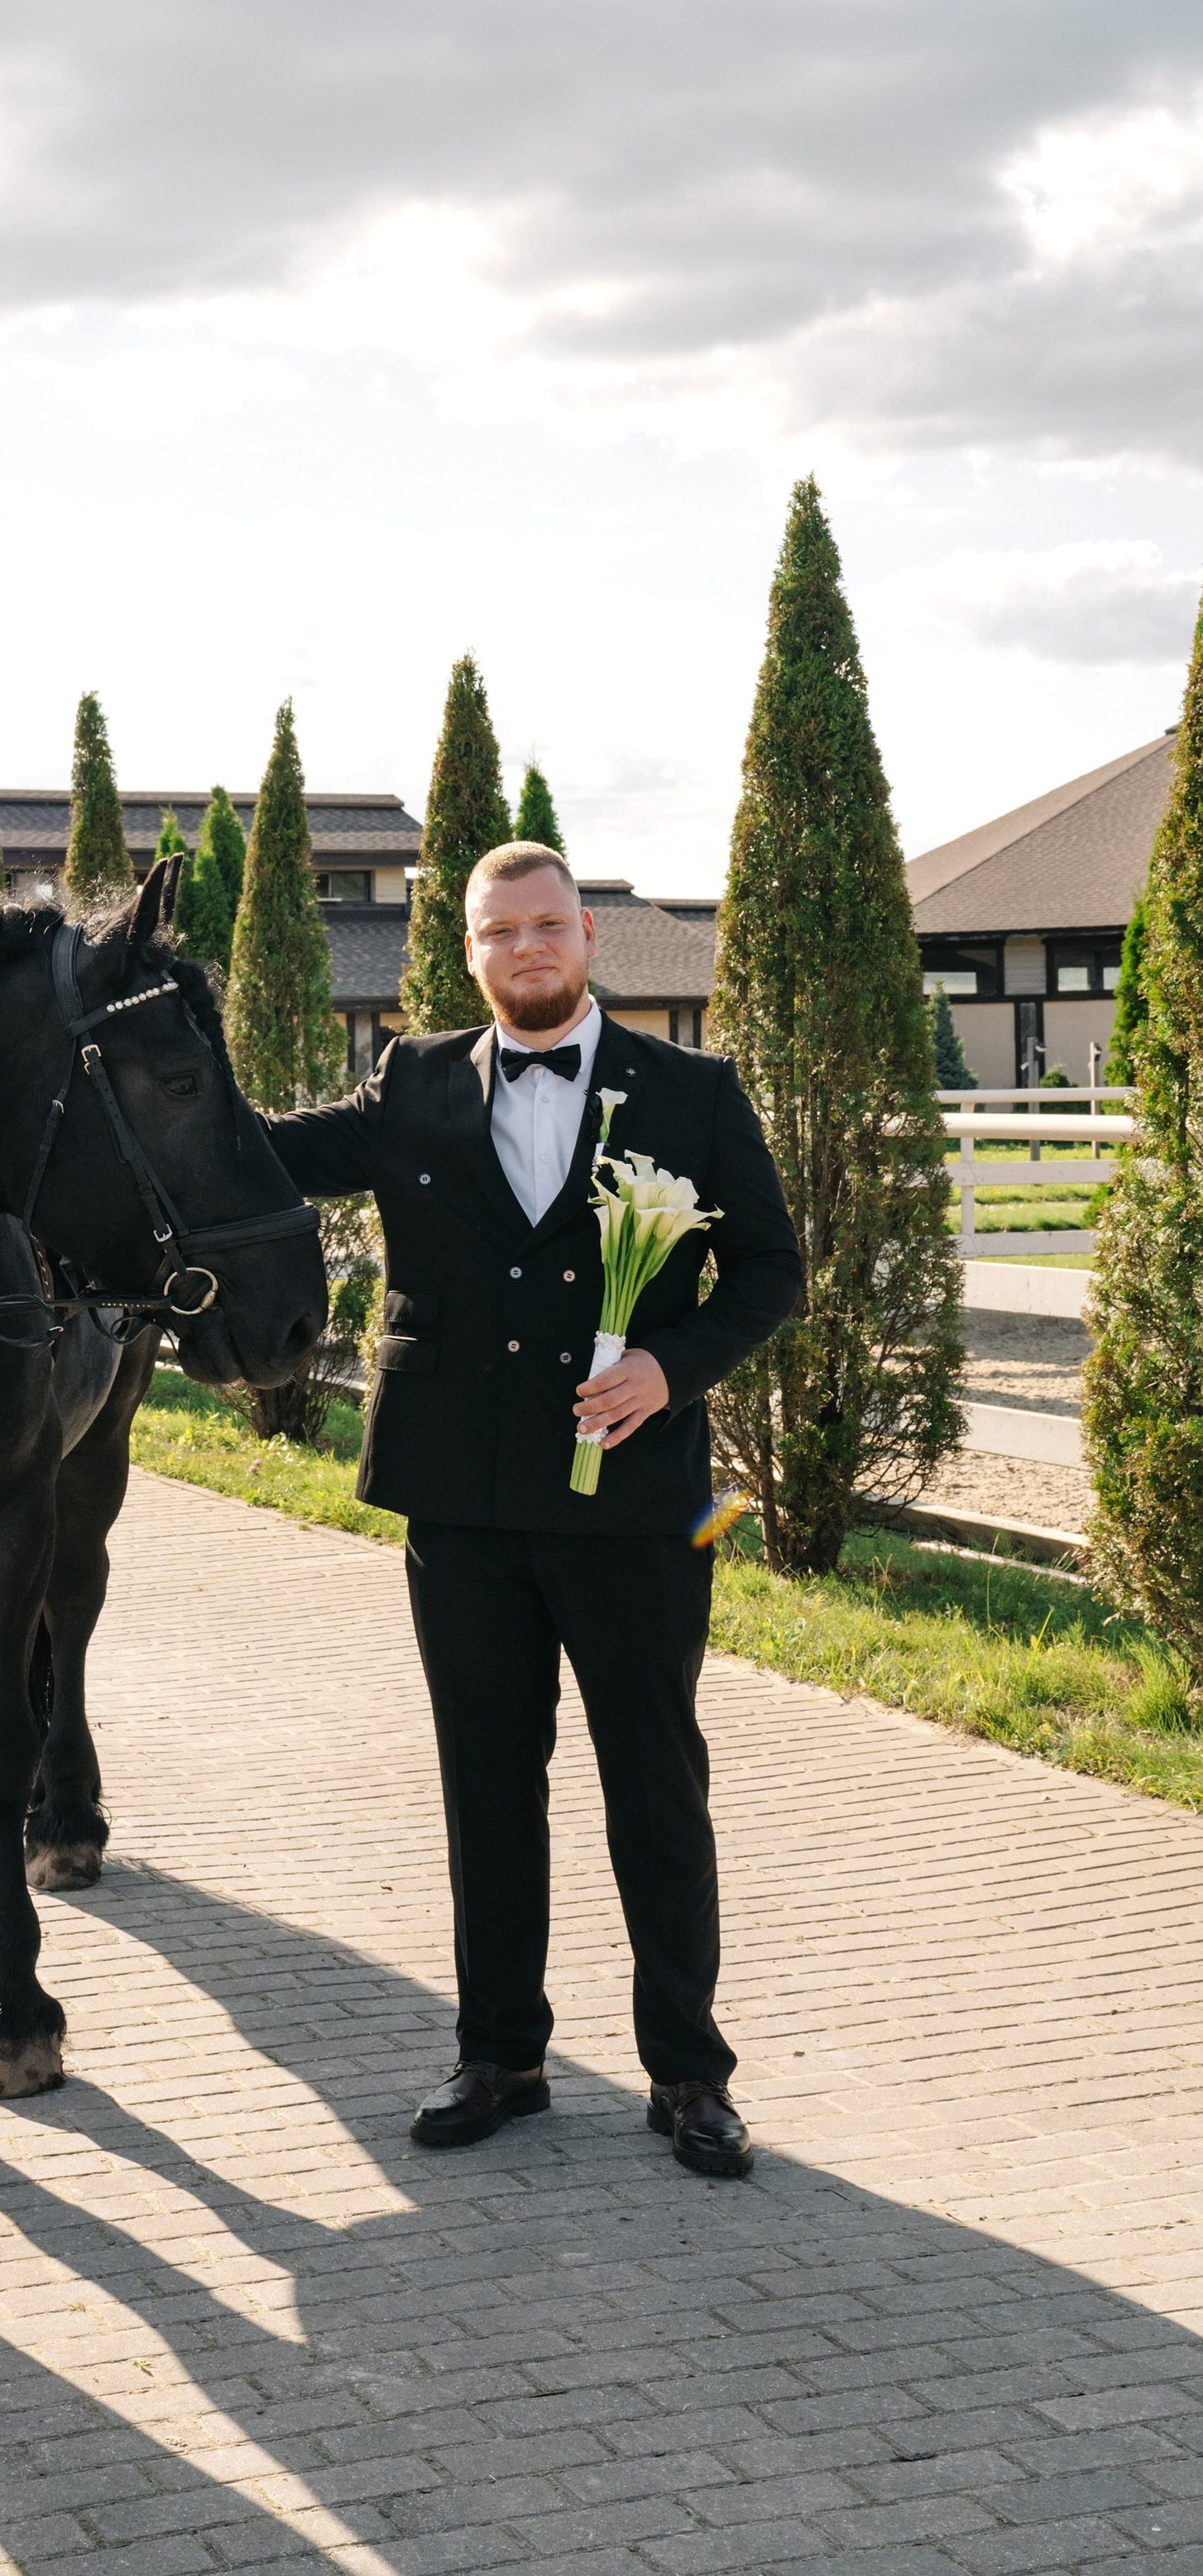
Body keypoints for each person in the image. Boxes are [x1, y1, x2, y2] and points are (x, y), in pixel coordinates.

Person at [265, 845, 801, 2178]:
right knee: (487, 1788)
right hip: (461, 1504)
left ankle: (688, 2073)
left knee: (654, 1790)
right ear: (467, 954)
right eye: (498, 932)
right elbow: (250, 1156)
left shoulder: (693, 1091)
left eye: (547, 926)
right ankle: (499, 2052)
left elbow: (773, 1272)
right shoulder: (410, 1086)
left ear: (588, 938)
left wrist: (673, 1369)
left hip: (636, 1504)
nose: (526, 951)